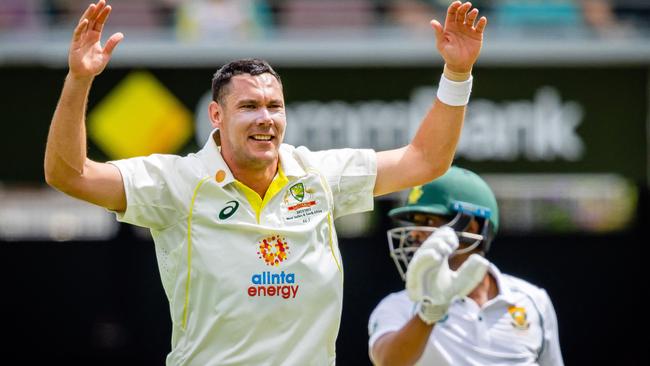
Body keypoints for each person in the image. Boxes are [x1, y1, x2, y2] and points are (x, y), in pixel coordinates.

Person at [44, 0, 487, 364]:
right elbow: (69, 173)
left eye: (275, 106)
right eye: (250, 106)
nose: (265, 119)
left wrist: (457, 75)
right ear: (216, 116)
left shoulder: (318, 175)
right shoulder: (176, 182)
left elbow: (426, 160)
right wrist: (80, 79)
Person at [368, 166, 564, 365]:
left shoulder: (533, 300)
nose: (413, 234)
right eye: (413, 224)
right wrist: (431, 311)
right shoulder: (400, 305)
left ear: (470, 227)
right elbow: (387, 362)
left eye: (428, 220)